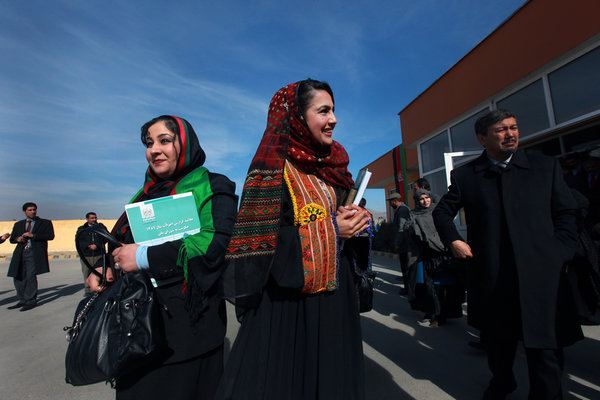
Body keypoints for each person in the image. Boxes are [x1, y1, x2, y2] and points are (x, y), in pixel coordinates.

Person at [218, 79, 369, 399]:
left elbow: (342, 223)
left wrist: (358, 223)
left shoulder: (336, 166)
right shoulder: (271, 169)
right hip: (287, 304)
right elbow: (256, 243)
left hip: (334, 299)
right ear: (295, 117)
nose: (334, 119)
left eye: (334, 110)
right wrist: (331, 229)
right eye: (323, 111)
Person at [433, 109, 582, 399]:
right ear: (482, 138)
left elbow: (567, 213)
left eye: (513, 127)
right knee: (498, 342)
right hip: (493, 275)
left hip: (541, 275)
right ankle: (503, 382)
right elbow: (442, 212)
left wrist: (560, 252)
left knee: (545, 348)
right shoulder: (466, 175)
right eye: (501, 130)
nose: (510, 134)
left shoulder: (544, 167)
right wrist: (453, 240)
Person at [87, 115, 238, 399]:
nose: (154, 149)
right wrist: (106, 267)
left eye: (165, 140)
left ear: (186, 143)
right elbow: (123, 242)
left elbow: (215, 242)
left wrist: (143, 257)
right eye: (148, 143)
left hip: (189, 331)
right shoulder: (143, 196)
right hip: (135, 330)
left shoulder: (213, 185)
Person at [409, 189, 464, 327]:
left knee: (448, 286)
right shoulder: (414, 215)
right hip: (429, 254)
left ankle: (444, 314)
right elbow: (415, 235)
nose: (425, 201)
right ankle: (434, 313)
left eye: (426, 197)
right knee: (431, 287)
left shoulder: (438, 210)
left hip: (446, 253)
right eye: (421, 199)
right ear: (417, 201)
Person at [7, 202, 55, 311]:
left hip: (34, 253)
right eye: (30, 210)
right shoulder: (18, 224)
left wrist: (33, 235)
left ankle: (31, 300)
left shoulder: (44, 223)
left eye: (34, 209)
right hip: (20, 252)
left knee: (30, 276)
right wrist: (17, 239)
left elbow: (50, 236)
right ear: (24, 212)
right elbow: (12, 239)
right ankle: (22, 299)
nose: (32, 212)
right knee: (18, 276)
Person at [76, 212, 108, 294]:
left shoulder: (101, 228)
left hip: (99, 255)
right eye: (92, 218)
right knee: (87, 273)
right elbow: (79, 241)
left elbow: (106, 237)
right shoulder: (82, 229)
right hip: (87, 256)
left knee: (99, 273)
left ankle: (100, 289)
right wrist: (88, 246)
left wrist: (97, 245)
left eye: (95, 218)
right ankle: (88, 291)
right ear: (87, 219)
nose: (94, 219)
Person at [386, 192, 412, 294]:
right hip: (405, 243)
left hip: (404, 244)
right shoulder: (402, 209)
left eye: (390, 202)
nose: (390, 204)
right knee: (405, 266)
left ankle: (408, 289)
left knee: (406, 266)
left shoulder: (402, 211)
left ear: (395, 201)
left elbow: (401, 229)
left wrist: (397, 243)